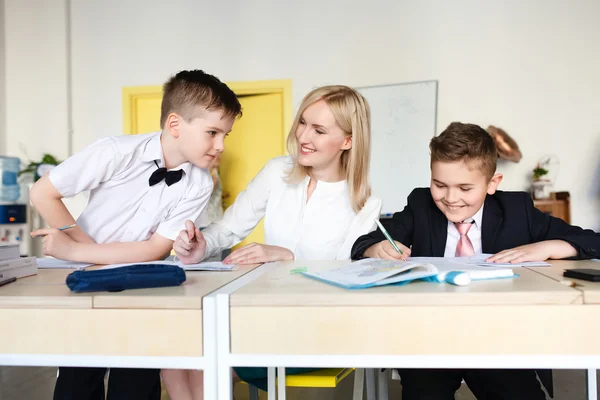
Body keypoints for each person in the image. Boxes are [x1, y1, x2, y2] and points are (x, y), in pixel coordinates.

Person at [29, 69, 242, 400]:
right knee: (79, 376)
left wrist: (73, 250)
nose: (221, 145)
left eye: (225, 134)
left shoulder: (200, 183)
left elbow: (155, 250)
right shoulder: (115, 152)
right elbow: (43, 193)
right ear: (174, 125)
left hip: (140, 284)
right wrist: (77, 243)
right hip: (82, 284)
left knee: (138, 379)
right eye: (213, 132)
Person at [351, 121, 600, 400]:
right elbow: (364, 244)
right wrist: (378, 248)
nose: (450, 198)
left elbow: (593, 241)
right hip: (431, 338)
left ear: (492, 183)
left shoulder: (517, 209)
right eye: (439, 185)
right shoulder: (421, 204)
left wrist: (550, 245)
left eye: (465, 188)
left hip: (499, 339)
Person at [162, 85, 382, 399]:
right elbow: (227, 229)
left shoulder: (365, 203)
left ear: (348, 140)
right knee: (173, 360)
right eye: (303, 123)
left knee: (202, 367)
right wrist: (201, 245)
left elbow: (344, 275)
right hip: (262, 315)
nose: (304, 136)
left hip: (318, 326)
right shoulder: (277, 172)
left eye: (319, 130)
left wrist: (287, 255)